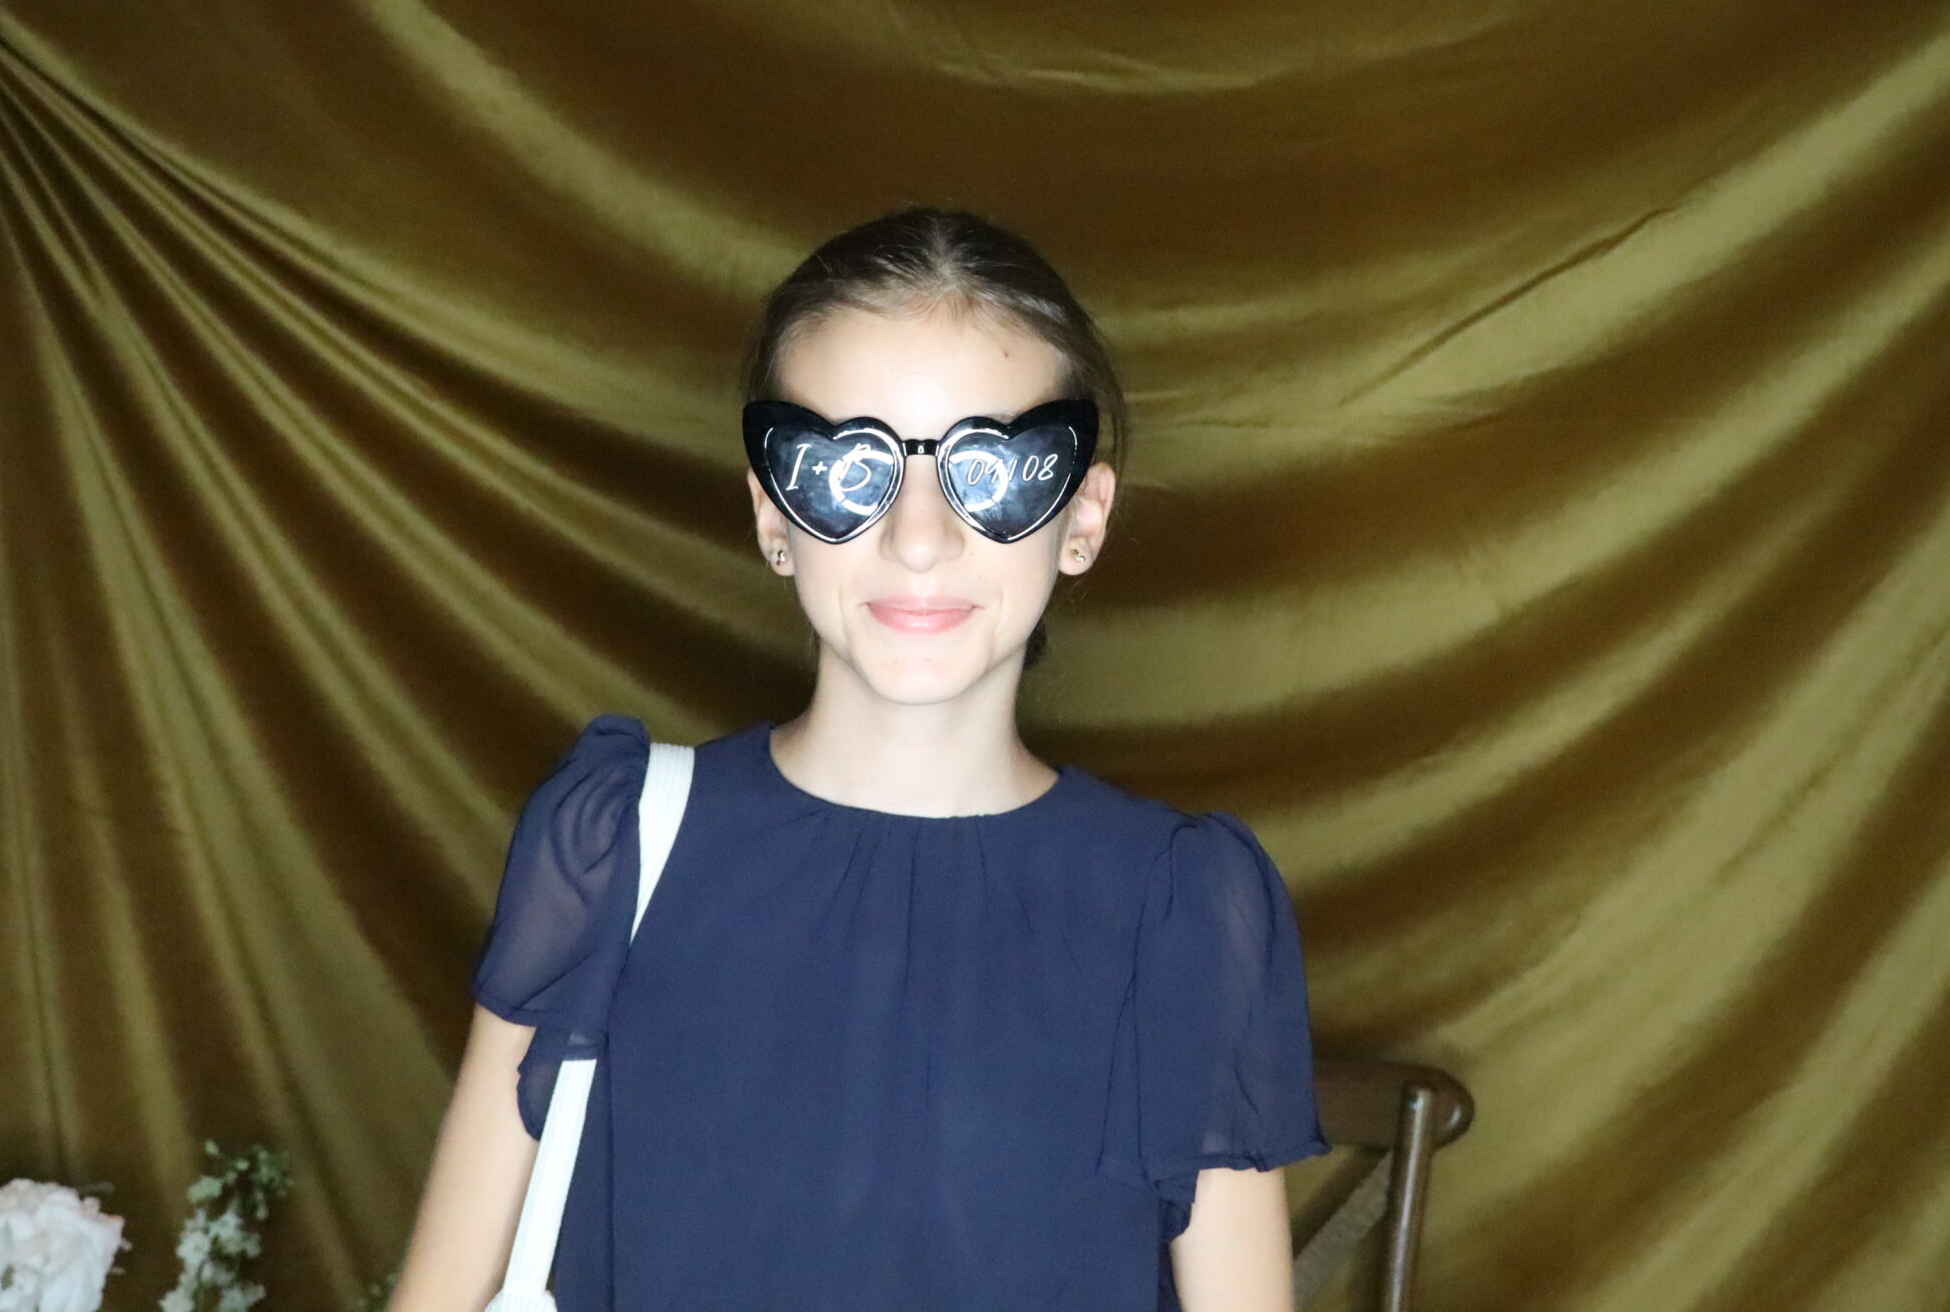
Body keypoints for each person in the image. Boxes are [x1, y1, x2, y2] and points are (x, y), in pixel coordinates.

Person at [390, 206, 1326, 1312]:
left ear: (1083, 516)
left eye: (993, 471)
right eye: (845, 469)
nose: (918, 539)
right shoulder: (612, 844)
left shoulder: (1182, 906)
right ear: (771, 514)